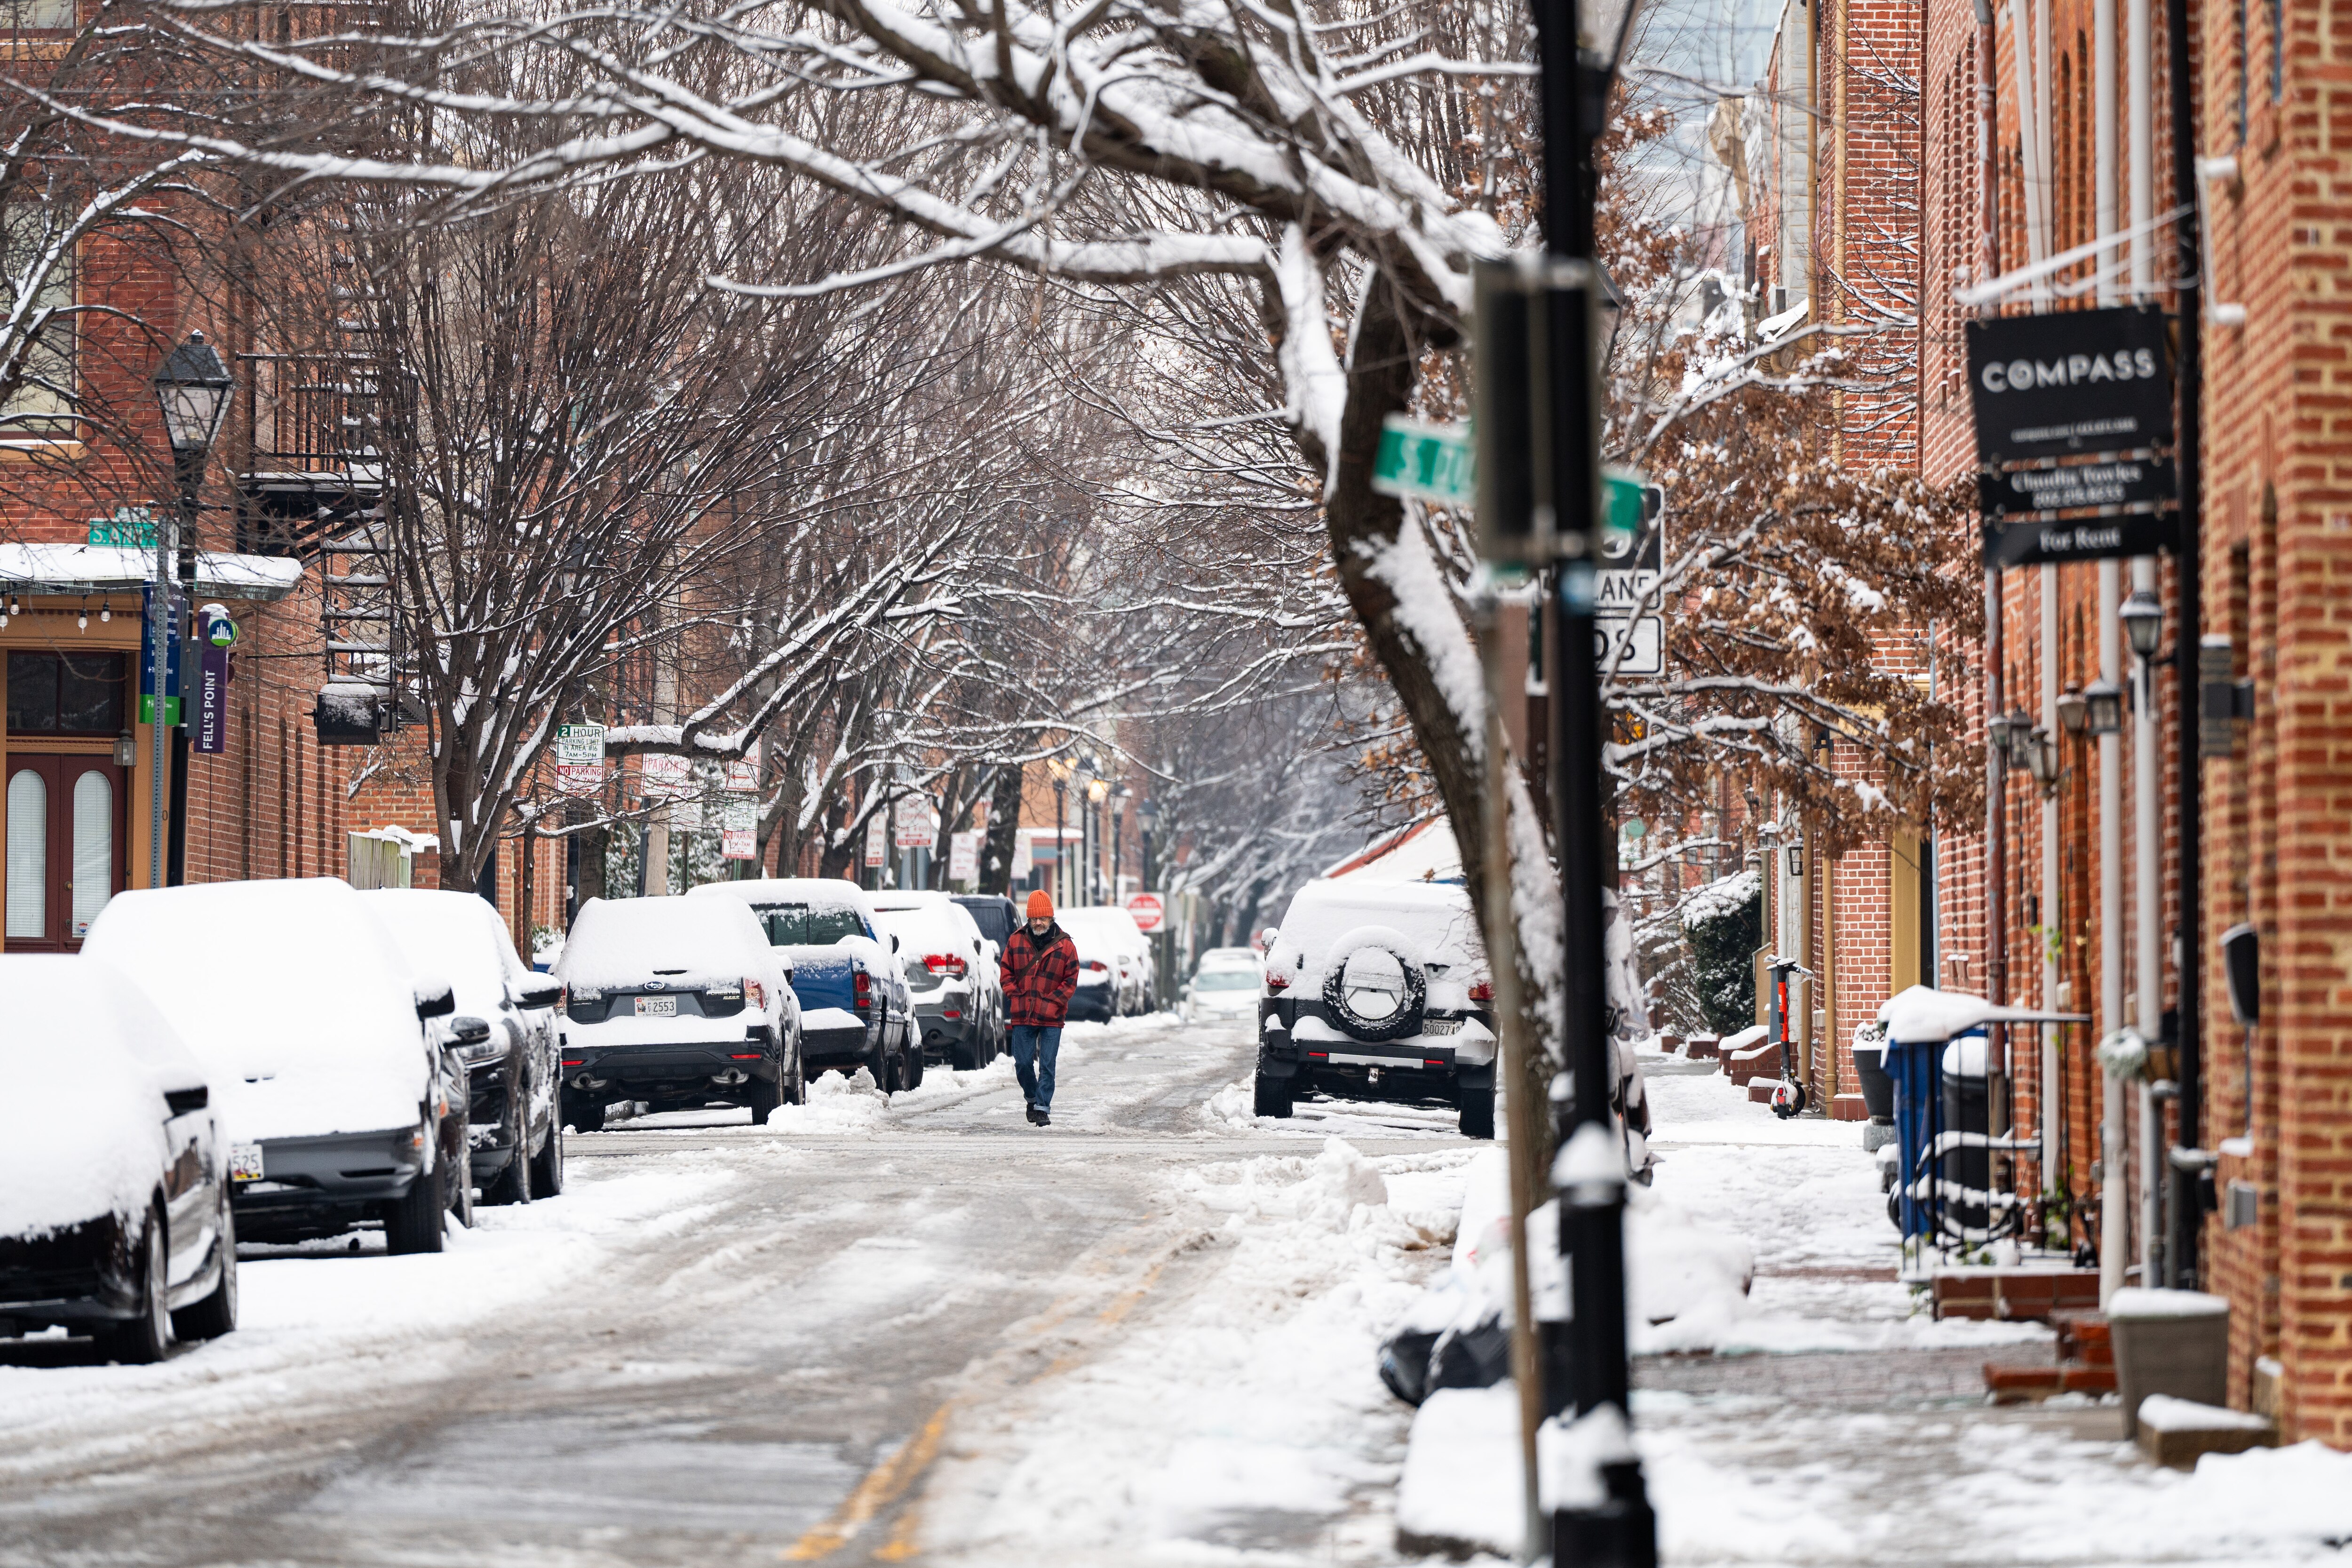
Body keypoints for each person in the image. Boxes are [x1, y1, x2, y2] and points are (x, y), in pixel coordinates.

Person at [1000, 889, 1079, 1126]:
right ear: (1029, 919)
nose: (1038, 922)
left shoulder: (1065, 946)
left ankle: (1042, 1108)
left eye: (1042, 918)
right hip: (1023, 1013)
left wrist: (1055, 1001)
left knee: (1047, 1065)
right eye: (1034, 918)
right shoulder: (1016, 940)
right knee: (1022, 1063)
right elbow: (1006, 971)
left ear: (1051, 918)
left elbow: (1071, 978)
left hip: (1052, 1016)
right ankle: (1032, 1098)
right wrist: (1015, 993)